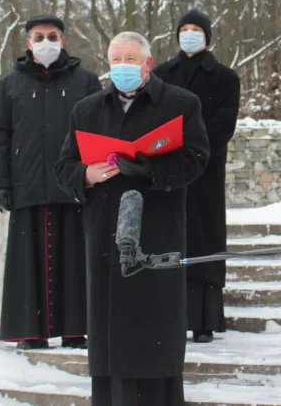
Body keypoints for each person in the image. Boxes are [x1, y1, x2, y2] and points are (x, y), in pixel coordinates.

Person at [55, 31, 210, 406]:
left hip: (156, 228)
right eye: (115, 60)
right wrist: (85, 175)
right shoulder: (87, 109)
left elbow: (197, 158)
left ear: (147, 63)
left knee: (153, 324)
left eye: (129, 59)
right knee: (111, 332)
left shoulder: (180, 103)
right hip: (105, 229)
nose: (121, 66)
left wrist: (150, 169)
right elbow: (63, 167)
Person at [0, 14, 101, 350]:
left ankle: (75, 330)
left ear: (63, 40)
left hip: (74, 186)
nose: (46, 42)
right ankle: (30, 331)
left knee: (76, 262)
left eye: (52, 36)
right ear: (28, 42)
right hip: (27, 186)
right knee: (28, 265)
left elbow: (99, 132)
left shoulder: (86, 81)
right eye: (39, 37)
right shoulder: (9, 84)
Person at [154, 9, 241, 343]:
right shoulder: (162, 74)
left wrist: (194, 147)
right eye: (184, 29)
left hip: (205, 169)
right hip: (168, 168)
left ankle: (204, 319)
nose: (189, 34)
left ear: (207, 36)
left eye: (196, 29)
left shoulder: (224, 77)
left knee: (204, 236)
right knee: (170, 236)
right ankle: (170, 313)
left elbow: (224, 123)